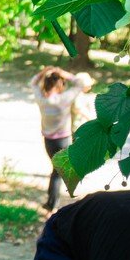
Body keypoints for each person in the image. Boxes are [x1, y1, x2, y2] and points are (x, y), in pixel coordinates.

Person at [30, 66, 82, 211]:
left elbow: (33, 83)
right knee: (58, 172)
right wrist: (64, 73)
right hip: (63, 140)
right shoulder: (64, 99)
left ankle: (51, 202)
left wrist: (43, 71)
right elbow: (80, 83)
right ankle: (52, 203)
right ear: (60, 84)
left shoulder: (42, 100)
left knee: (56, 170)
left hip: (48, 140)